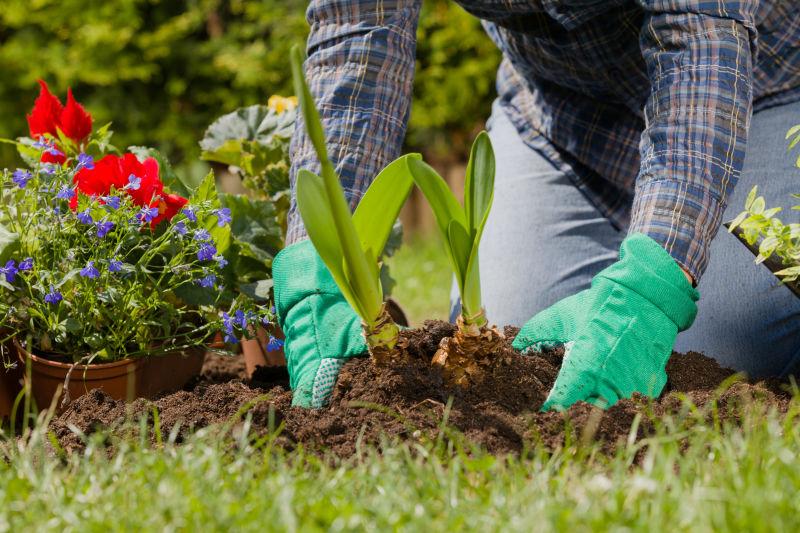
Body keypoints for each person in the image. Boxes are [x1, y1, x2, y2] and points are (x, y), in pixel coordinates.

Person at [273, 1, 800, 409]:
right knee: (507, 354)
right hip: (561, 119)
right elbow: (360, 38)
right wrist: (321, 267)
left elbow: (699, 43)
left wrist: (652, 284)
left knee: (719, 353)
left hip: (759, 97)